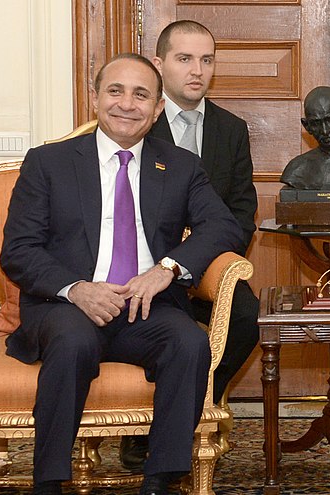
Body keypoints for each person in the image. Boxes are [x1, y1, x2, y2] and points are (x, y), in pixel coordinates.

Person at [0, 53, 244, 495]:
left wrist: (167, 268)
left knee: (189, 341)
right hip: (67, 307)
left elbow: (223, 225)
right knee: (73, 342)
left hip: (145, 306)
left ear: (156, 109)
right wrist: (76, 289)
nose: (127, 104)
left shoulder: (181, 166)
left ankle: (160, 479)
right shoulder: (48, 162)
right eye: (115, 91)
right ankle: (49, 481)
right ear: (95, 98)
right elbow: (18, 250)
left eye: (141, 95)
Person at [117, 20, 262, 472]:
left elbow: (242, 214)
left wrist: (193, 254)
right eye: (184, 59)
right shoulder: (133, 122)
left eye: (206, 60)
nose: (197, 70)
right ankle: (139, 426)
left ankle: (193, 406)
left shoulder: (231, 129)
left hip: (205, 266)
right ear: (159, 64)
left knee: (246, 318)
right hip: (140, 267)